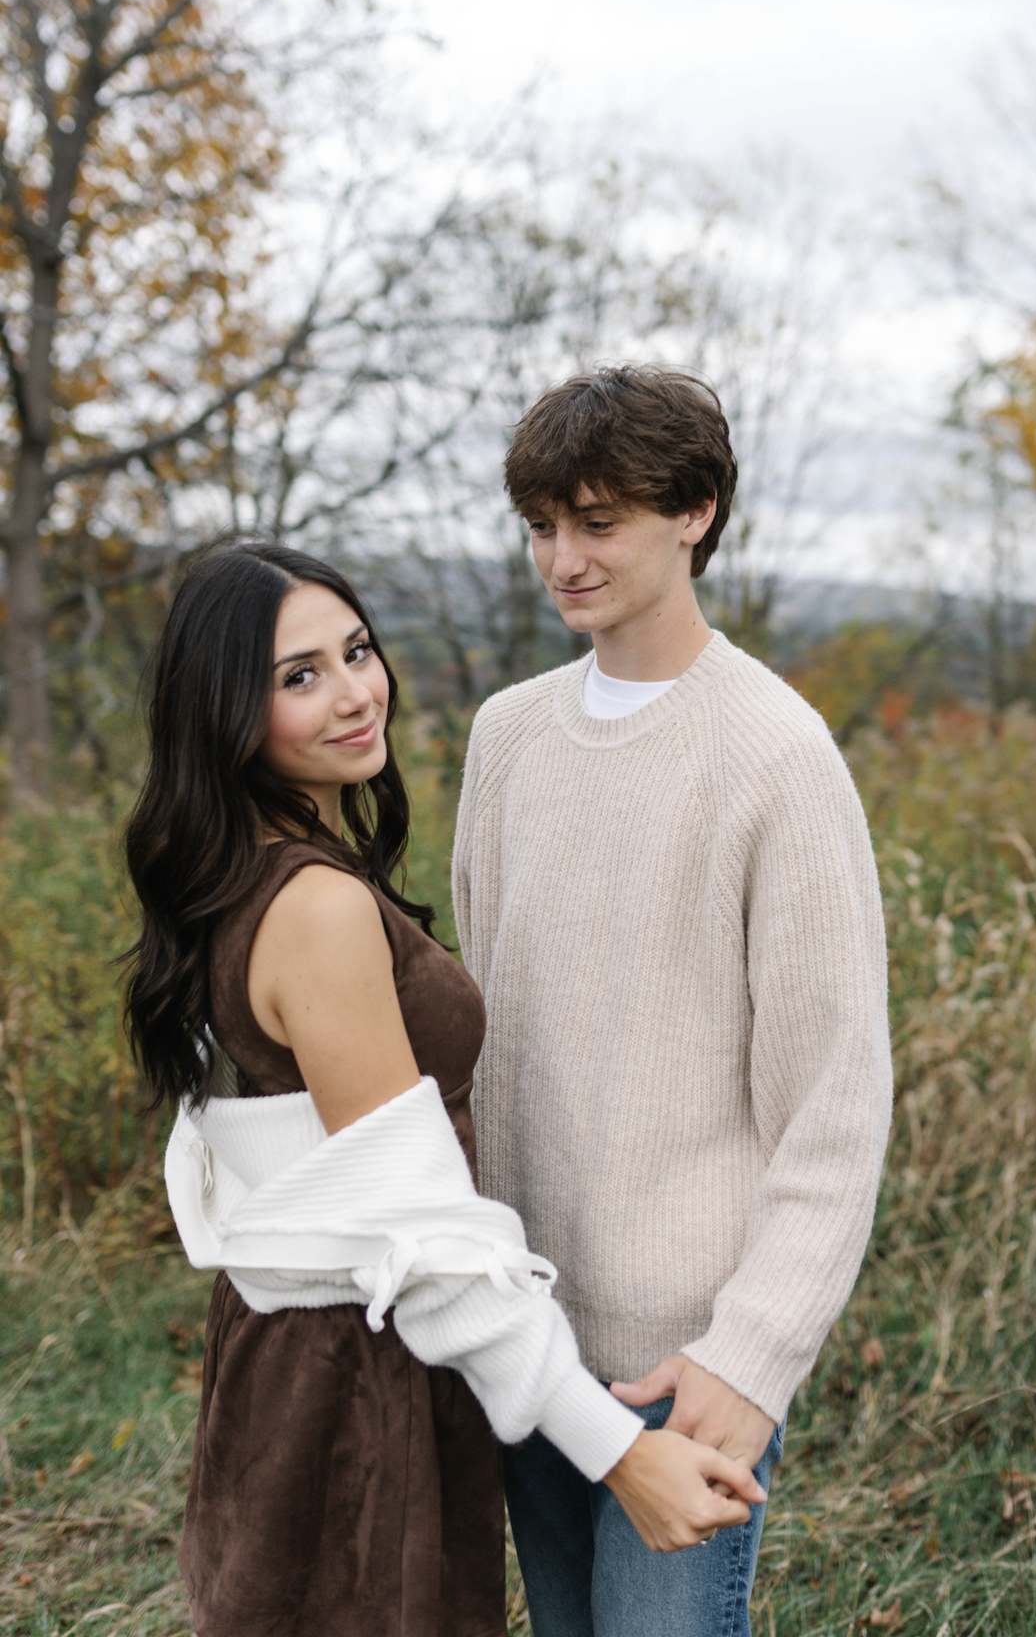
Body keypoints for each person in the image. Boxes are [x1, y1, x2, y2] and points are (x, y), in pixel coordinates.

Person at [122, 542, 766, 1637]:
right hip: (349, 1375)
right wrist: (620, 1456)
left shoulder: (242, 874)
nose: (354, 693)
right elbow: (422, 1238)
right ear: (222, 711)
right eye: (298, 676)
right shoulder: (313, 908)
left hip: (292, 1350)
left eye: (357, 651)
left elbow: (250, 1153)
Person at [452, 367, 894, 1637]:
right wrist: (492, 1306)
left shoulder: (776, 753)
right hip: (523, 1336)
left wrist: (752, 1356)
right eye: (541, 524)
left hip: (682, 1362)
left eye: (598, 522)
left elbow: (834, 1104)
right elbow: (494, 1029)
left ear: (693, 511)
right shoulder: (508, 735)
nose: (562, 558)